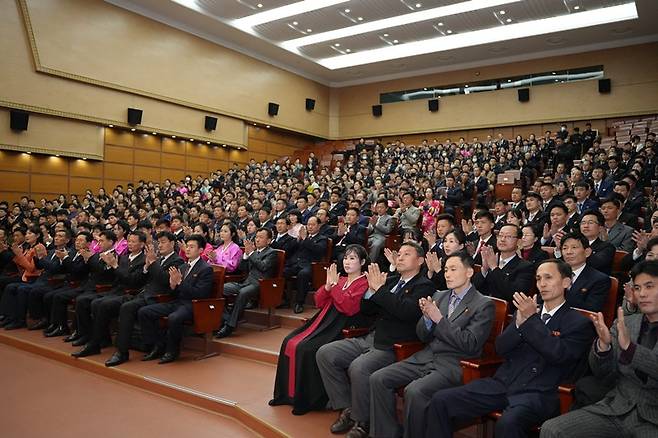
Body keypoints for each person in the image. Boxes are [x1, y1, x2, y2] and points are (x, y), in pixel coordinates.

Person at [427, 259, 596, 438]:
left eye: (548, 278)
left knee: (508, 423)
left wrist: (531, 321)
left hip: (539, 392)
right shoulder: (526, 311)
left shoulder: (578, 322)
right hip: (505, 383)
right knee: (441, 400)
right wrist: (518, 325)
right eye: (538, 279)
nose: (542, 284)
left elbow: (558, 355)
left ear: (566, 282)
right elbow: (501, 348)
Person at [369, 252, 495, 438]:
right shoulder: (440, 295)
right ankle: (387, 433)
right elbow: (422, 335)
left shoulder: (483, 304)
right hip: (426, 356)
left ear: (469, 272)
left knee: (415, 391)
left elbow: (470, 344)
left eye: (453, 269)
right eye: (445, 270)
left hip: (455, 364)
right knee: (378, 378)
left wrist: (438, 319)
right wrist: (428, 320)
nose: (447, 274)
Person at [316, 242, 435, 438]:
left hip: (394, 344)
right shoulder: (390, 280)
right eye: (400, 254)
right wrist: (371, 291)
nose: (401, 257)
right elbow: (367, 310)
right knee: (326, 353)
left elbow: (407, 313)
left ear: (420, 261)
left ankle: (363, 421)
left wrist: (380, 291)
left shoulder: (424, 285)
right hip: (371, 336)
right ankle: (347, 408)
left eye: (407, 254)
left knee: (359, 367)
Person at [540, 260, 658, 438]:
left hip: (652, 418)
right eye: (637, 288)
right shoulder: (625, 323)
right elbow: (604, 375)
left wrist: (630, 349)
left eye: (649, 286)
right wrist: (604, 348)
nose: (642, 294)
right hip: (616, 408)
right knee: (553, 429)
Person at [270, 245, 370, 415]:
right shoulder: (341, 279)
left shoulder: (365, 283)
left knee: (306, 348)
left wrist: (334, 287)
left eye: (352, 258)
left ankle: (308, 400)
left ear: (362, 262)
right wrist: (328, 287)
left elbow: (349, 308)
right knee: (289, 341)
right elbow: (318, 301)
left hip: (341, 326)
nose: (347, 261)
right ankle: (286, 395)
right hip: (323, 320)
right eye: (346, 258)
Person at [103, 231, 184, 367]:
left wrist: (152, 262)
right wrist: (146, 267)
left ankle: (122, 352)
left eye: (163, 242)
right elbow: (142, 279)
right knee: (108, 303)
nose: (160, 245)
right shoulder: (157, 259)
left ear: (172, 243)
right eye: (158, 242)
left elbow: (165, 280)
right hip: (142, 293)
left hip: (159, 298)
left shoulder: (177, 260)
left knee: (127, 308)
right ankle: (108, 341)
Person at [138, 234, 214, 364]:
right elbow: (176, 289)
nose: (188, 249)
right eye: (187, 246)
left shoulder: (206, 269)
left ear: (201, 250)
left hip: (193, 305)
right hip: (177, 302)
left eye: (191, 247)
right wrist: (173, 286)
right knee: (144, 312)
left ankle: (172, 351)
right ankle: (157, 345)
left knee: (174, 317)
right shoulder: (183, 267)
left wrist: (179, 283)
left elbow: (200, 294)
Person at [216, 227, 278, 338]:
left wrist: (251, 253)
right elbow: (241, 268)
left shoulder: (272, 253)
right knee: (220, 289)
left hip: (261, 284)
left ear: (268, 241)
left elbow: (263, 267)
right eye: (256, 237)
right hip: (246, 282)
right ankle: (227, 318)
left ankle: (230, 326)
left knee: (243, 293)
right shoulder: (252, 252)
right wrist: (245, 255)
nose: (257, 240)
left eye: (261, 237)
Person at [473, 224, 535, 305]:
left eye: (508, 236)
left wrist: (494, 268)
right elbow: (474, 289)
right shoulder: (491, 259)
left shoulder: (525, 267)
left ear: (519, 241)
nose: (502, 239)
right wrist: (484, 269)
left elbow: (514, 295)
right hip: (481, 308)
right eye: (500, 235)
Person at [554, 233, 611, 312]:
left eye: (574, 247)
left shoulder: (600, 279)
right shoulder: (555, 274)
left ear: (587, 252)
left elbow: (591, 310)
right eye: (564, 248)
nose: (568, 252)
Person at [282, 216, 328, 314]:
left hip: (310, 264)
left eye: (313, 225)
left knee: (303, 274)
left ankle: (299, 303)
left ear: (319, 226)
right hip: (295, 263)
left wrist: (305, 239)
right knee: (282, 271)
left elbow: (319, 250)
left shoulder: (322, 238)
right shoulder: (303, 236)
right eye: (308, 225)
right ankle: (285, 299)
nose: (310, 227)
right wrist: (297, 240)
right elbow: (289, 250)